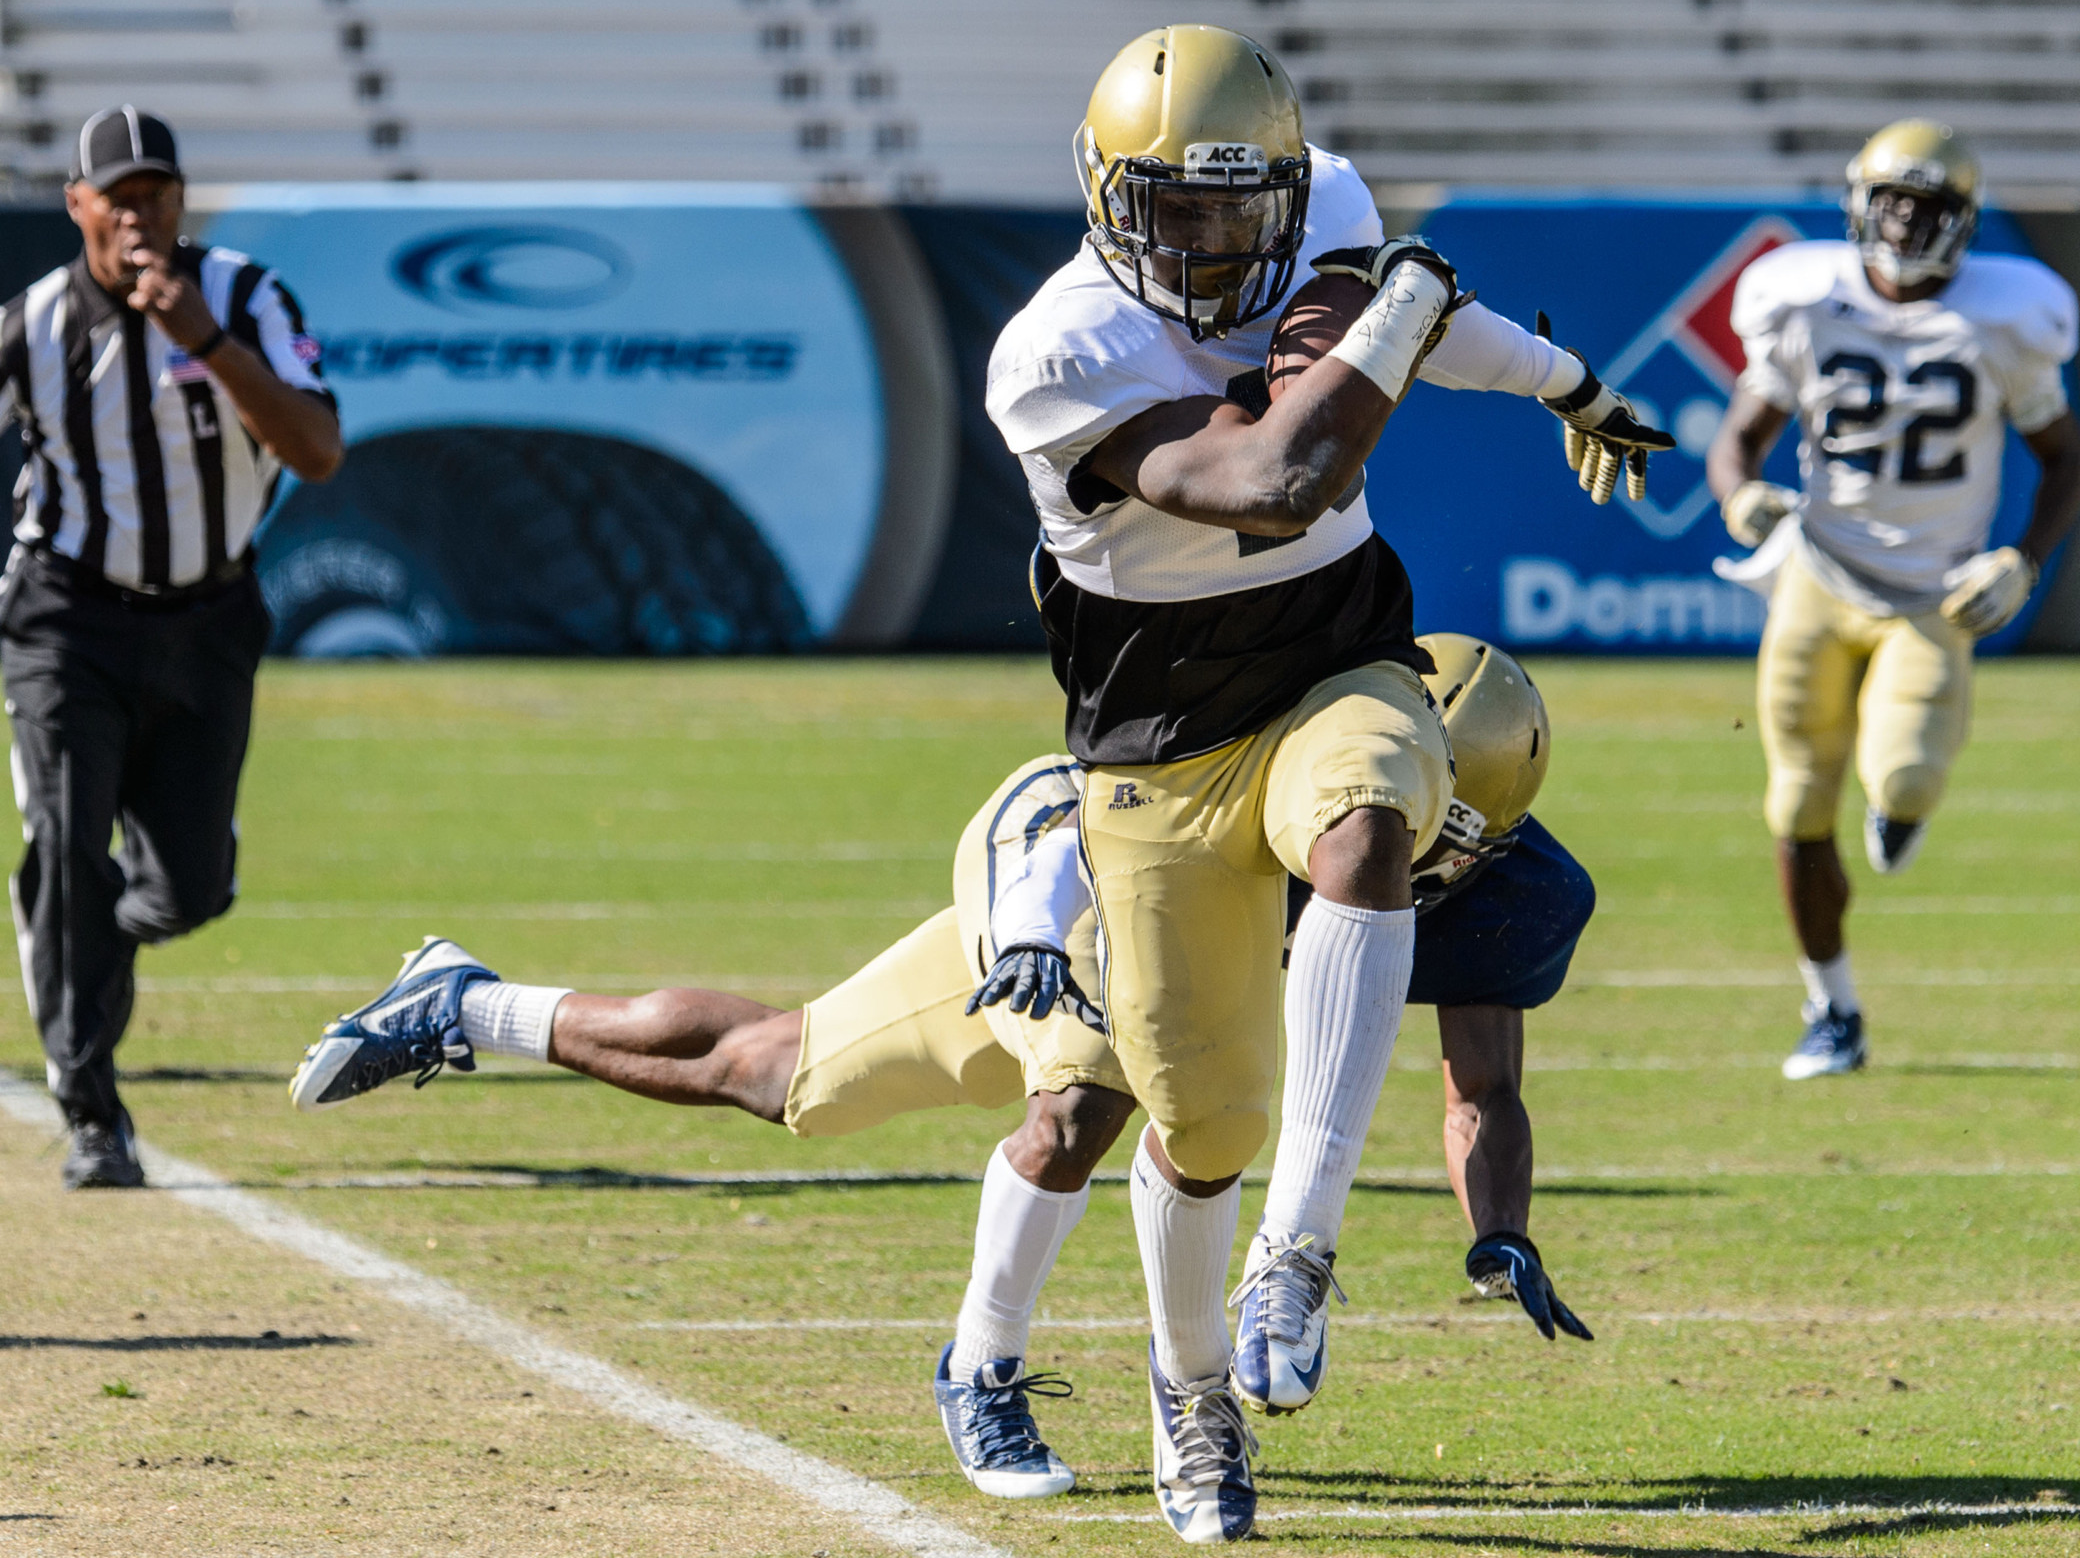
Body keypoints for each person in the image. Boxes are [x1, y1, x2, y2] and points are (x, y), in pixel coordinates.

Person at [284, 632, 1595, 1514]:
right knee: (1091, 1090)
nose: (1426, 854)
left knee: (781, 1070)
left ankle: (469, 1002)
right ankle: (985, 1366)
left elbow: (1484, 1077)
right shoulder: (1271, 757)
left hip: (1160, 923)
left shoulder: (1481, 880)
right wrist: (1030, 926)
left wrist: (1503, 1232)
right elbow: (1087, 806)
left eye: (1445, 836)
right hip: (1066, 862)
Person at [981, 22, 1664, 1541]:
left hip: (1334, 667)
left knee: (1369, 823)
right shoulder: (1058, 350)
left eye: (1248, 214)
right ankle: (1191, 1383)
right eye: (1187, 215)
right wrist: (1400, 302)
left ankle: (1298, 1245)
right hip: (1154, 748)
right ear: (1105, 198)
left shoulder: (1328, 205)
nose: (1223, 247)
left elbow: (1409, 335)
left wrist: (1566, 380)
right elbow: (1276, 478)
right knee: (1198, 1122)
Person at [1703, 119, 2080, 1082]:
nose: (1906, 223)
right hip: (1819, 575)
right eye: (1892, 202)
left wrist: (2024, 559)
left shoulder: (2003, 319)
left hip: (1933, 594)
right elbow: (1737, 438)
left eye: (1927, 206)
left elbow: (2066, 459)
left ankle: (1902, 807)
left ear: (1964, 219)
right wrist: (1738, 496)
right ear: (1861, 204)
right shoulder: (1804, 300)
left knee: (1908, 775)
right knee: (1794, 801)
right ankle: (1830, 1006)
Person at [4, 107, 343, 1187]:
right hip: (68, 616)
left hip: (208, 616)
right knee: (65, 843)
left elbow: (318, 449)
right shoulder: (32, 325)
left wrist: (200, 335)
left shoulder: (245, 295)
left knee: (185, 891)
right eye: (120, 198)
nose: (140, 216)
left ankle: (107, 918)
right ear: (79, 207)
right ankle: (92, 1110)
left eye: (158, 194)